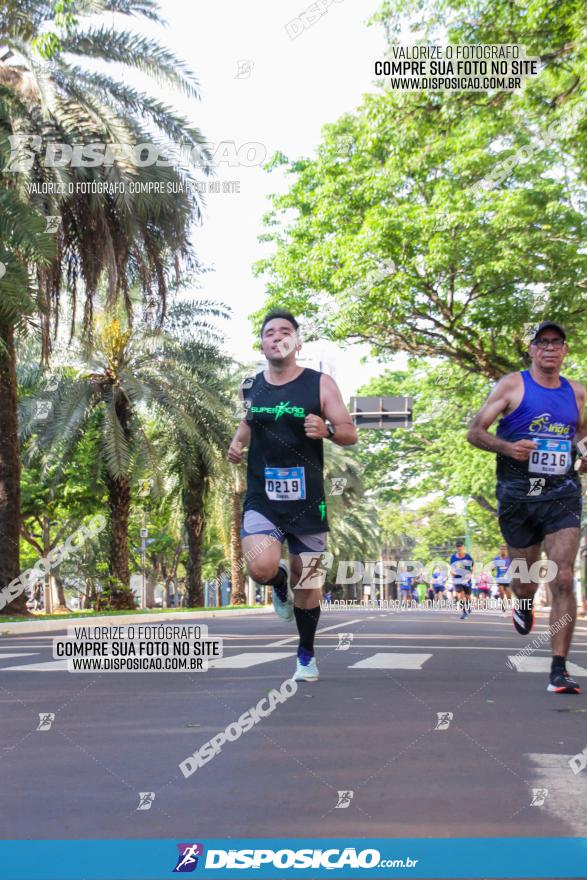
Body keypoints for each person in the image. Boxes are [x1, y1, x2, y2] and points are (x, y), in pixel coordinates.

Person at [227, 309, 358, 682]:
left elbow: (350, 432)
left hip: (308, 500)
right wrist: (236, 446)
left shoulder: (320, 384)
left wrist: (328, 429)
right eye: (270, 332)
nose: (277, 337)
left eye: (285, 332)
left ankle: (306, 654)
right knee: (260, 566)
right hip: (263, 495)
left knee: (310, 585)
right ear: (262, 344)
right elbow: (248, 424)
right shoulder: (252, 386)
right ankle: (276, 579)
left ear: (297, 343)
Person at [467, 321, 586, 694]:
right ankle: (523, 601)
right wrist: (508, 448)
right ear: (532, 350)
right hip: (518, 494)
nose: (550, 348)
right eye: (542, 343)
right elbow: (475, 431)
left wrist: (583, 453)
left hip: (562, 491)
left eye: (557, 343)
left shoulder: (579, 393)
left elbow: (582, 433)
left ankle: (558, 669)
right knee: (525, 579)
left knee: (563, 574)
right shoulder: (512, 385)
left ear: (564, 351)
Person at [450, 542, 474, 619]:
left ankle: (469, 605)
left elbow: (473, 566)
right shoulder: (453, 557)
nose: (459, 549)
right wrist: (452, 573)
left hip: (466, 579)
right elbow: (452, 568)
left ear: (463, 547)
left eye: (460, 547)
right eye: (458, 547)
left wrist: (471, 574)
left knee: (468, 596)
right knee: (460, 595)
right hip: (457, 579)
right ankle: (464, 612)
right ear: (456, 548)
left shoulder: (468, 556)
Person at [491, 544, 512, 612]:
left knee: (509, 594)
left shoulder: (510, 558)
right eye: (501, 549)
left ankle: (509, 603)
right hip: (500, 578)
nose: (502, 551)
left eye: (504, 549)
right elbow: (492, 568)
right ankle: (503, 604)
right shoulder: (496, 559)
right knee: (501, 591)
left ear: (506, 550)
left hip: (508, 579)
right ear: (499, 550)